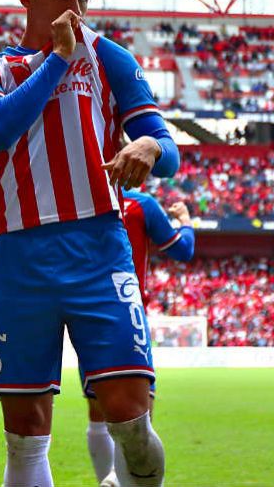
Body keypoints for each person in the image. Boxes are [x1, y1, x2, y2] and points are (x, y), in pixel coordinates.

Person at [0, 0, 179, 487]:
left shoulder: (112, 58)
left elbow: (167, 151)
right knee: (25, 433)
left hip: (98, 247)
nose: (75, 9)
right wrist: (57, 58)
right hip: (18, 257)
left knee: (129, 414)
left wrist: (147, 143)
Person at [85, 191, 195, 486]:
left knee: (97, 411)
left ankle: (108, 477)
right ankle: (117, 479)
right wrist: (185, 221)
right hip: (126, 312)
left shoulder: (79, 196)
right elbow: (183, 250)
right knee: (139, 415)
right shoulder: (141, 204)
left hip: (85, 313)